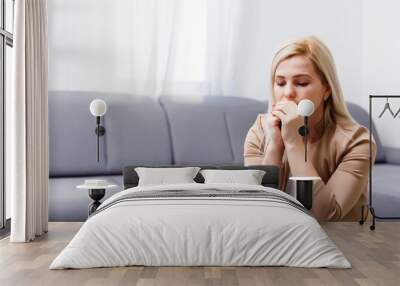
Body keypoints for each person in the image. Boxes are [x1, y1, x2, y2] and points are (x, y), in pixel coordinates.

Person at [244, 36, 376, 221]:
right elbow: (258, 210)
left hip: (344, 243)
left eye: (301, 83)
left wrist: (294, 143)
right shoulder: (260, 131)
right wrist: (275, 145)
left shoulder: (357, 141)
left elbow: (326, 216)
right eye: (280, 83)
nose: (288, 92)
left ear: (327, 89)